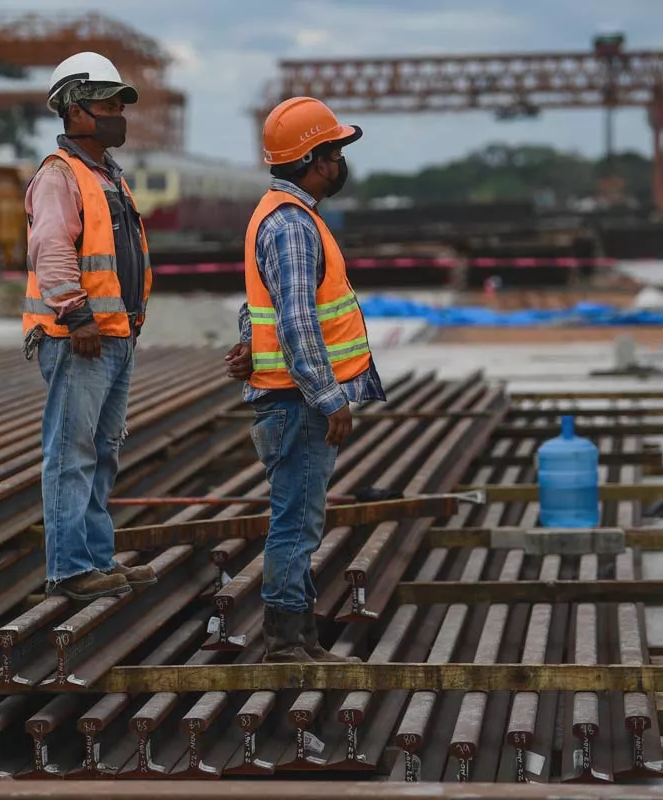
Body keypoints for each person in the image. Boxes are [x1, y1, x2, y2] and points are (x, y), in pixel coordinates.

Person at [225, 97, 386, 663]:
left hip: (289, 398)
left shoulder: (279, 214)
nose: (341, 162)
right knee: (296, 522)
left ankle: (300, 639)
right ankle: (285, 643)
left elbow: (263, 306)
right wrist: (328, 395)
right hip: (297, 403)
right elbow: (296, 321)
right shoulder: (293, 225)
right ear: (316, 159)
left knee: (300, 518)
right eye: (336, 152)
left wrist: (248, 342)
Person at [21, 51, 155, 601]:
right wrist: (77, 315)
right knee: (72, 454)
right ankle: (70, 570)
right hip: (79, 338)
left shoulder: (107, 177)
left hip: (112, 335)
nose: (116, 113)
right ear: (73, 110)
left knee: (102, 452)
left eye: (119, 104)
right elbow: (51, 249)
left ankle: (97, 559)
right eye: (105, 103)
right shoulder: (59, 176)